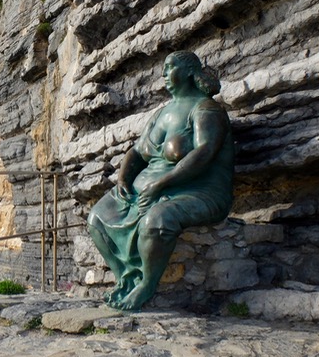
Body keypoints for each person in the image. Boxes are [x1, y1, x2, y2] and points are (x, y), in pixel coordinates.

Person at [87, 51, 234, 310]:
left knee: (157, 221)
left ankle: (147, 284)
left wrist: (162, 183)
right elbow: (137, 151)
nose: (163, 75)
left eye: (169, 68)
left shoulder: (206, 109)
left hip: (198, 191)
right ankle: (127, 278)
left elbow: (205, 152)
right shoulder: (162, 113)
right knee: (97, 218)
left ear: (189, 71)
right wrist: (123, 179)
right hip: (148, 190)